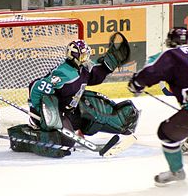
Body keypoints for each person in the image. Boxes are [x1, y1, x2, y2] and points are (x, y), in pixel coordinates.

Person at [8, 35, 139, 158]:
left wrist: (108, 65)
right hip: (58, 114)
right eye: (83, 55)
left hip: (70, 110)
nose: (86, 58)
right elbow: (35, 86)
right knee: (65, 145)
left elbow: (93, 76)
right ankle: (31, 134)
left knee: (97, 111)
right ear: (75, 56)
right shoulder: (64, 74)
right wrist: (38, 113)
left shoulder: (81, 69)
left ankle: (110, 126)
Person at [128, 27, 188, 185]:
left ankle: (176, 171)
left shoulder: (172, 54)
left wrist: (136, 84)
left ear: (170, 42)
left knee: (166, 134)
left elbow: (152, 72)